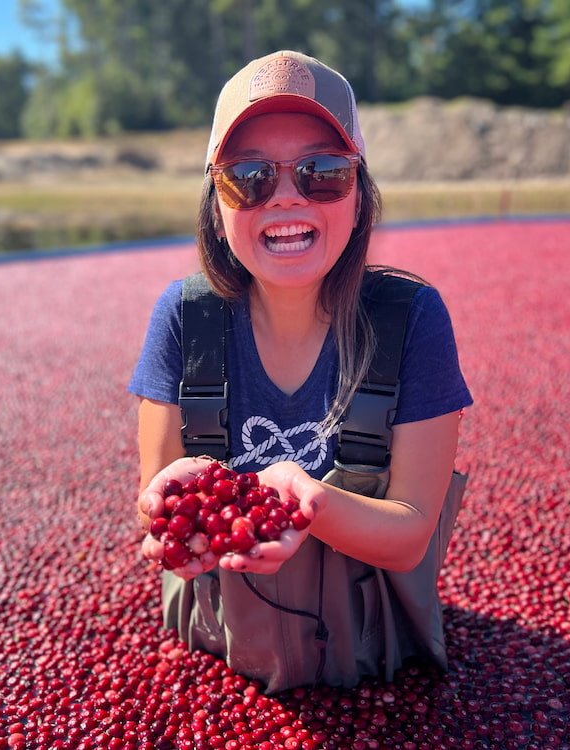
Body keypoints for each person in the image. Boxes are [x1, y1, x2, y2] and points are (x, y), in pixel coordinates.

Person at [128, 50, 474, 693]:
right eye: (249, 176)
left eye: (321, 172)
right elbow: (160, 504)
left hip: (373, 655)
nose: (285, 198)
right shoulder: (183, 318)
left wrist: (304, 504)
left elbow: (407, 536)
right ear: (216, 201)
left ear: (359, 190)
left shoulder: (412, 320)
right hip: (219, 645)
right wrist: (172, 500)